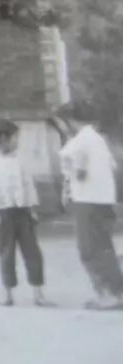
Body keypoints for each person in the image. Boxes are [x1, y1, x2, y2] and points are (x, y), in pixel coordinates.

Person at [0, 120, 50, 307]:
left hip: (23, 210)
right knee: (6, 253)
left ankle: (38, 292)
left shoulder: (20, 158)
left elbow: (28, 184)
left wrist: (32, 209)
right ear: (3, 138)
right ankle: (7, 293)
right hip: (2, 212)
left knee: (32, 251)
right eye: (15, 138)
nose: (17, 141)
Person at [59, 114, 123, 310]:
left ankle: (107, 294)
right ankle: (116, 291)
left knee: (88, 249)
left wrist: (68, 181)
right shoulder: (99, 140)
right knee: (104, 247)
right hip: (103, 199)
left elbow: (79, 172)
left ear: (70, 120)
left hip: (87, 200)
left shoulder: (80, 141)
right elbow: (113, 168)